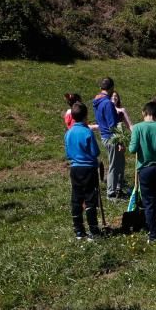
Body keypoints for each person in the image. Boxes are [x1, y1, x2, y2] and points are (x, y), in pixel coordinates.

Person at [130, 102, 156, 241]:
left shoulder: (137, 128)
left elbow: (132, 149)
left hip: (144, 168)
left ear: (144, 113)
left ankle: (153, 233)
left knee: (148, 202)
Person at [65, 102, 102, 241]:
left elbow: (68, 154)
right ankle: (93, 231)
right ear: (86, 116)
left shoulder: (68, 133)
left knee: (76, 198)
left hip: (75, 168)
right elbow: (95, 152)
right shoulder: (87, 132)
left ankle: (79, 231)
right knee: (90, 199)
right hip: (88, 169)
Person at [94, 78, 126, 199]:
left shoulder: (97, 101)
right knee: (114, 165)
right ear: (112, 88)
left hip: (104, 136)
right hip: (111, 137)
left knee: (120, 162)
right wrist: (119, 141)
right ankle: (111, 193)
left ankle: (119, 187)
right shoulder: (107, 103)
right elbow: (113, 125)